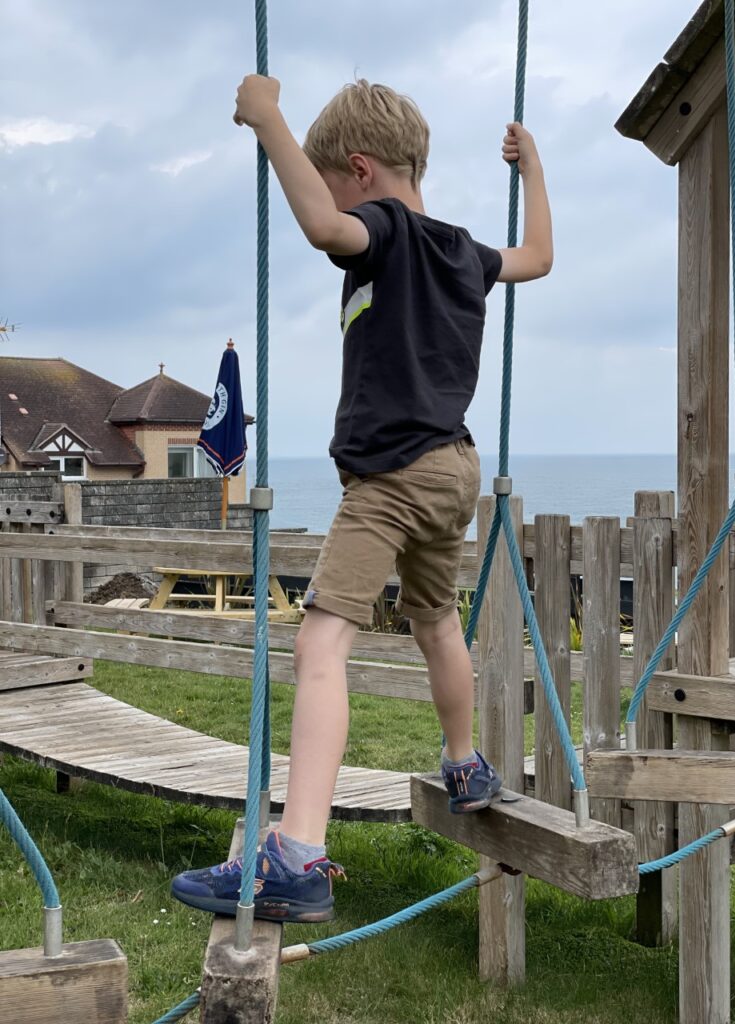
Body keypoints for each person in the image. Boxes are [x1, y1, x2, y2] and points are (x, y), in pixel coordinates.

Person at [172, 76, 553, 922]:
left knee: (322, 645)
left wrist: (267, 119)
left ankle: (296, 856)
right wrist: (534, 174)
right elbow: (539, 258)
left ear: (361, 171)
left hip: (391, 478)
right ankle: (466, 764)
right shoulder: (463, 250)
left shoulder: (382, 229)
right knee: (436, 622)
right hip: (453, 470)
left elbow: (320, 225)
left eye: (337, 181)